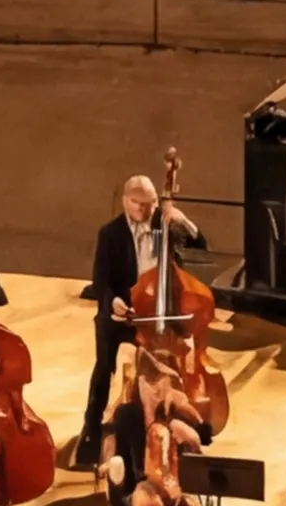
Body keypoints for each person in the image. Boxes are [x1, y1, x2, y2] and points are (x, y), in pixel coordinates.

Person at [80, 170, 204, 469]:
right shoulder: (109, 234)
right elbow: (102, 280)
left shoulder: (165, 224)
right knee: (104, 370)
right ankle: (91, 433)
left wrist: (182, 220)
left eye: (148, 204)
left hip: (159, 315)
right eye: (136, 203)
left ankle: (183, 427)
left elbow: (201, 244)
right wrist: (115, 302)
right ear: (125, 201)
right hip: (122, 318)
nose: (142, 210)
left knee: (171, 369)